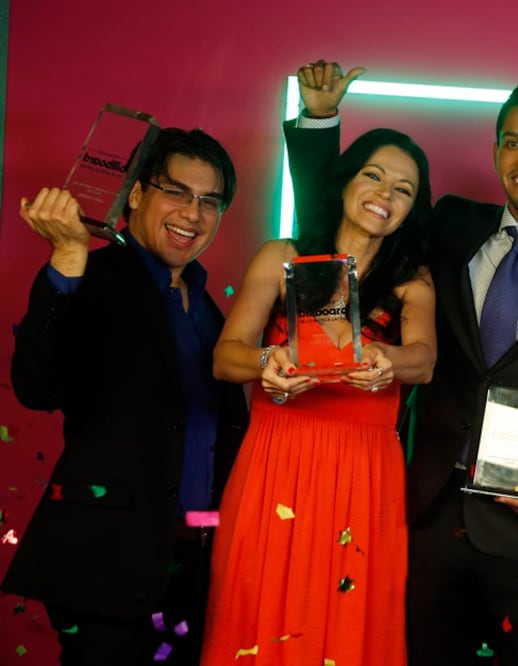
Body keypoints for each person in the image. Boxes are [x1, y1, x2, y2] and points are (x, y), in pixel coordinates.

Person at [285, 60, 518, 665]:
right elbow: (344, 228)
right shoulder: (454, 225)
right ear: (495, 151)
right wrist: (320, 121)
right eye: (512, 143)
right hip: (427, 515)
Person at [2, 128, 247, 664]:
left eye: (210, 201)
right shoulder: (96, 277)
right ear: (136, 195)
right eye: (176, 192)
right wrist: (69, 254)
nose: (192, 213)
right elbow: (37, 386)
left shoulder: (208, 308)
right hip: (106, 565)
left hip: (193, 564)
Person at [200, 127, 437, 665]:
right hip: (274, 463)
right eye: (373, 175)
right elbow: (225, 356)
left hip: (364, 474)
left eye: (404, 188)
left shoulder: (411, 280)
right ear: (344, 183)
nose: (385, 194)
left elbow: (423, 359)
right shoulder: (283, 257)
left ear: (412, 208)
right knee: (260, 612)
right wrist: (268, 362)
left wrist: (388, 361)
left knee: (351, 622)